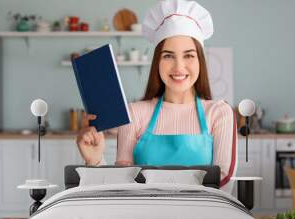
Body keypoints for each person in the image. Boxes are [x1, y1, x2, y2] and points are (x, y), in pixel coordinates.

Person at [76, 0, 237, 191]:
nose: (179, 67)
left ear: (200, 61)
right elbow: (121, 187)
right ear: (157, 62)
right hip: (143, 217)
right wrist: (95, 160)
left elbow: (224, 181)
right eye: (168, 55)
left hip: (201, 215)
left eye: (189, 55)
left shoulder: (219, 113)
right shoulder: (134, 113)